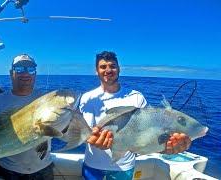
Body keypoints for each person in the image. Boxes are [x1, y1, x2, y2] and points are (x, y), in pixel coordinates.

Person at [79, 51, 192, 180]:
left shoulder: (136, 97)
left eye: (112, 66)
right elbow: (85, 132)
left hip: (124, 166)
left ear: (119, 69)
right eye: (103, 67)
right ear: (96, 71)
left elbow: (146, 134)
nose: (108, 70)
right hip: (93, 165)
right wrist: (91, 138)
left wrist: (164, 146)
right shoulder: (87, 97)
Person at [0, 54, 53, 179]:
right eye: (19, 69)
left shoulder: (47, 101)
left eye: (30, 69)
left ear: (35, 74)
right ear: (11, 73)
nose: (25, 73)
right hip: (8, 171)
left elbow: (62, 131)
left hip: (43, 169)